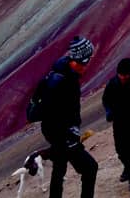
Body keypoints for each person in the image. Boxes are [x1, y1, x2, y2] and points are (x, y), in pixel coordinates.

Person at [40, 36, 98, 198]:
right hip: (63, 134)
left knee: (59, 168)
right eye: (88, 59)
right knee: (90, 167)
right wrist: (70, 134)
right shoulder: (65, 81)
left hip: (56, 132)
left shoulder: (61, 72)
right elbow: (58, 111)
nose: (88, 64)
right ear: (81, 59)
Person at [102, 58, 130, 192]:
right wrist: (109, 111)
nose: (121, 77)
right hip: (118, 122)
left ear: (129, 74)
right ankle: (128, 169)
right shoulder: (113, 83)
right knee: (120, 150)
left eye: (124, 75)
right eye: (120, 75)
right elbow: (106, 99)